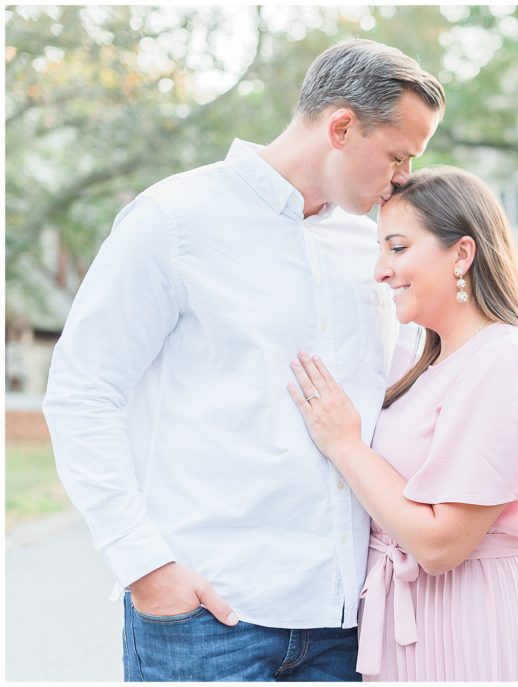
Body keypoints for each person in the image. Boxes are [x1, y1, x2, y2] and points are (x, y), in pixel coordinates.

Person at [42, 39, 444, 682]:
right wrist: (144, 567)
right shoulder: (173, 220)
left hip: (347, 622)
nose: (402, 178)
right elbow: (82, 392)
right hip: (208, 618)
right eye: (398, 155)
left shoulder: (372, 246)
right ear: (341, 127)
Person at [288, 166, 518, 681]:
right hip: (416, 631)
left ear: (461, 254)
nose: (380, 270)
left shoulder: (506, 359)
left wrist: (346, 444)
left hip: (487, 633)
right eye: (380, 249)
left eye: (397, 248)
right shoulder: (427, 366)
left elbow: (442, 545)